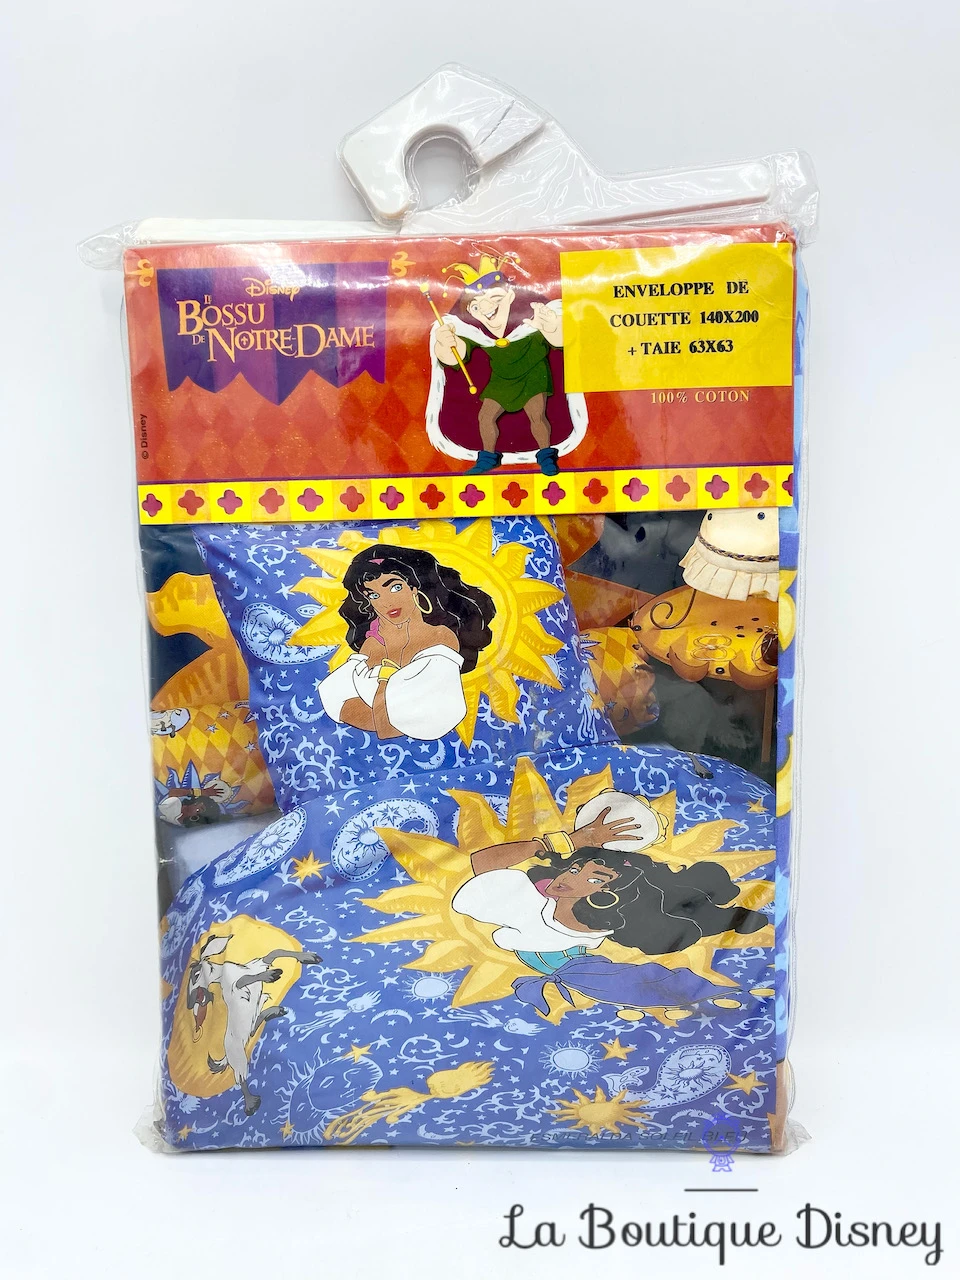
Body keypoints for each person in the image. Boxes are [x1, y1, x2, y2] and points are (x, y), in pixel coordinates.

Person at [451, 796, 768, 1017]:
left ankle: (712, 996)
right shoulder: (527, 899)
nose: (569, 878)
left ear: (609, 894)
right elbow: (481, 864)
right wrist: (569, 842)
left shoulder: (600, 930)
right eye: (574, 869)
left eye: (593, 879)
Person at [317, 543, 495, 741]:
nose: (387, 602)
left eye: (395, 587)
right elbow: (338, 703)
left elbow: (406, 727)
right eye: (374, 595)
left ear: (414, 587)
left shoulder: (440, 639)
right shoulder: (372, 645)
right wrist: (389, 708)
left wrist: (384, 681)